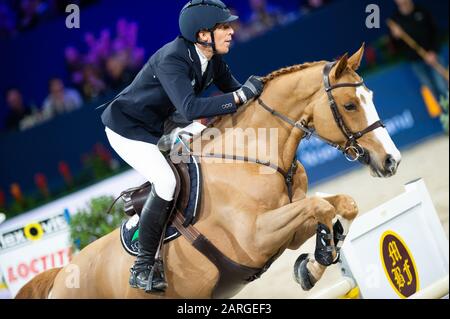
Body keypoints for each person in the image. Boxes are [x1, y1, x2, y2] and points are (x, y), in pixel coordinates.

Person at [99, 0, 264, 293]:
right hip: (128, 130)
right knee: (166, 180)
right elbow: (190, 108)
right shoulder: (172, 59)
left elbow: (237, 93)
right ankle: (143, 266)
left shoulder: (212, 59)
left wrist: (263, 94)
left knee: (204, 151)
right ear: (203, 35)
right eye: (224, 27)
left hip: (161, 127)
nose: (231, 31)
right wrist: (240, 97)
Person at [388, 0, 448, 100]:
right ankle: (446, 113)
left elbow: (435, 32)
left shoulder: (422, 11)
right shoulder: (395, 20)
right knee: (432, 89)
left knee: (442, 86)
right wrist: (395, 37)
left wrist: (433, 51)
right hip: (416, 61)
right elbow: (395, 49)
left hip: (433, 56)